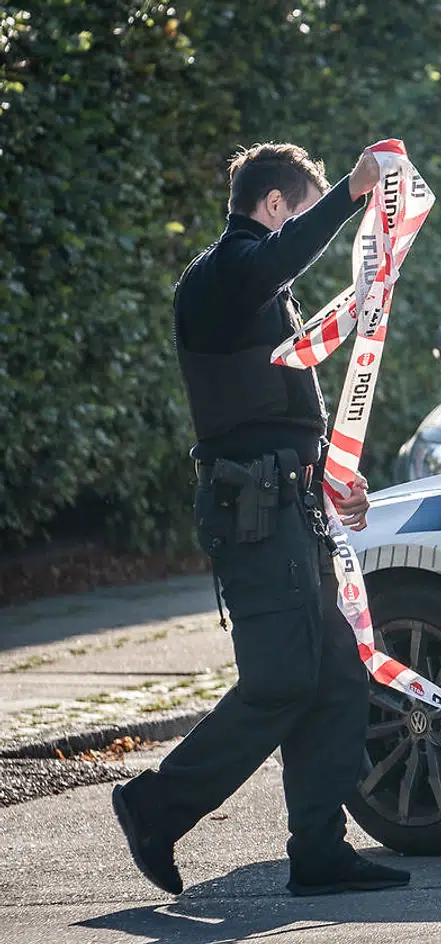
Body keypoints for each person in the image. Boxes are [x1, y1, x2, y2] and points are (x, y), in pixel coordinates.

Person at [111, 142, 410, 897]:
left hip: (291, 505)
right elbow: (276, 261)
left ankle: (317, 851)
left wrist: (334, 477)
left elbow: (281, 415)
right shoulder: (222, 276)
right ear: (275, 205)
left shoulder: (259, 289)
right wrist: (352, 192)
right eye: (302, 212)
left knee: (337, 673)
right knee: (281, 679)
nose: (303, 232)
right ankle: (155, 804)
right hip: (251, 515)